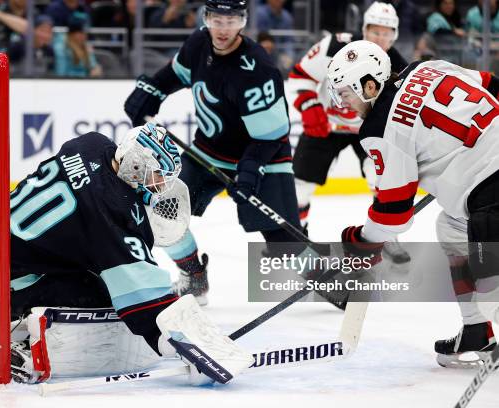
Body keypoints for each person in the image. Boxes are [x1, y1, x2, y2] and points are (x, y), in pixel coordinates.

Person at [0, 123, 252, 384]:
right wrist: (185, 344)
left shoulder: (92, 144)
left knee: (88, 260)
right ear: (136, 163)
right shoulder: (111, 214)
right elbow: (143, 300)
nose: (159, 186)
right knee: (104, 296)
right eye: (157, 176)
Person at [327, 40, 499, 368]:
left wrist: (362, 240)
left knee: (495, 297)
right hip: (486, 183)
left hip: (492, 196)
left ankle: (486, 316)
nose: (343, 103)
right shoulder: (427, 67)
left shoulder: (380, 128)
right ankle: (477, 329)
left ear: (369, 85)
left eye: (345, 93)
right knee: (450, 227)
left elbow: (393, 213)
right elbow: (492, 84)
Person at [124, 0, 302, 306]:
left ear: (243, 22)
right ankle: (194, 276)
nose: (222, 29)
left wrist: (249, 170)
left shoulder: (257, 68)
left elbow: (269, 137)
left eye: (231, 21)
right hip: (209, 154)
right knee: (162, 209)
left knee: (280, 240)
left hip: (264, 157)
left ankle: (339, 284)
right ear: (206, 18)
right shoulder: (198, 44)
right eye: (216, 20)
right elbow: (171, 77)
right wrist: (150, 92)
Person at [286, 1, 410, 263]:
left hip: (368, 128)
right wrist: (309, 107)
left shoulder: (397, 64)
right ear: (363, 29)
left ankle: (384, 236)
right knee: (300, 187)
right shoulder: (336, 46)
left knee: (381, 180)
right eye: (375, 31)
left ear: (395, 35)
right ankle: (296, 235)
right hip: (326, 125)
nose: (380, 38)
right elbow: (300, 75)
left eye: (386, 33)